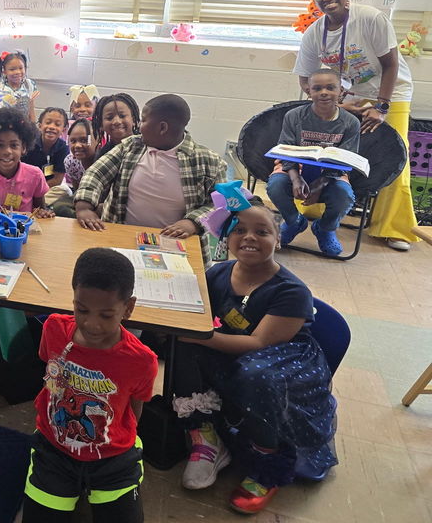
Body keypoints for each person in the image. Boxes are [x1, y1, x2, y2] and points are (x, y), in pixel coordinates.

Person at [172, 202, 336, 514]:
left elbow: (259, 343)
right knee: (180, 344)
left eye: (262, 231)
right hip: (237, 351)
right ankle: (207, 437)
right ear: (226, 238)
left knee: (254, 375)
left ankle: (267, 464)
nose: (249, 237)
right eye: (240, 230)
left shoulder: (291, 290)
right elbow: (193, 309)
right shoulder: (219, 272)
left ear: (279, 239)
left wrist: (198, 335)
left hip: (281, 363)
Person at [23, 247, 157, 523]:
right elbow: (48, 370)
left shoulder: (142, 360)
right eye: (81, 309)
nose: (91, 324)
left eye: (106, 315)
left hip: (114, 459)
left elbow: (134, 411)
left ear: (128, 308)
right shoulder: (53, 329)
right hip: (54, 449)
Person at [292, 0, 417, 250]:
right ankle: (316, 209)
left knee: (394, 155)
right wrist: (336, 104)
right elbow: (304, 78)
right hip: (347, 98)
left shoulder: (370, 18)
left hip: (391, 92)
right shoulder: (315, 32)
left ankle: (394, 228)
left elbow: (391, 65)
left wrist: (381, 107)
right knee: (329, 149)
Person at [74, 95, 225, 250]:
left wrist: (193, 222)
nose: (139, 126)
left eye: (144, 120)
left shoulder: (209, 161)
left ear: (162, 128)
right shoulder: (130, 147)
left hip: (174, 246)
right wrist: (84, 206)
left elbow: (220, 203)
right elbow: (96, 174)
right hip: (121, 238)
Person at [269, 70, 360, 257]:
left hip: (331, 172)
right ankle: (294, 222)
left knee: (344, 195)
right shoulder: (294, 116)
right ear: (308, 91)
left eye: (330, 87)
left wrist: (320, 184)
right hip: (296, 167)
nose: (324, 92)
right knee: (276, 185)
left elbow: (345, 160)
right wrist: (295, 179)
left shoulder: (350, 123)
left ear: (341, 91)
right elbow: (285, 151)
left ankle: (325, 229)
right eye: (317, 88)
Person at [0, 106, 53, 217]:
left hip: (21, 231)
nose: (7, 151)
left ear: (24, 147)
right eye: (0, 145)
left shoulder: (35, 175)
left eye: (14, 145)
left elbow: (39, 209)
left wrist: (43, 213)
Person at [48, 118, 95, 219]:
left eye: (84, 140)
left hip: (101, 200)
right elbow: (77, 192)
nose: (77, 145)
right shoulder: (70, 161)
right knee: (58, 207)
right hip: (82, 198)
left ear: (97, 139)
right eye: (73, 141)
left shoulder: (104, 160)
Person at [0, 51, 38, 123]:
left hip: (22, 128)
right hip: (3, 127)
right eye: (12, 69)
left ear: (25, 68)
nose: (17, 72)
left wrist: (34, 129)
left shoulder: (29, 85)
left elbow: (31, 110)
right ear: (4, 71)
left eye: (20, 68)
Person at [23, 107, 69, 187]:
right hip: (26, 183)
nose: (52, 127)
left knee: (63, 193)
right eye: (48, 122)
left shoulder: (63, 148)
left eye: (57, 124)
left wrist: (38, 191)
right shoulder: (30, 143)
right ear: (40, 126)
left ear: (63, 130)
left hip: (48, 187)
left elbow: (57, 180)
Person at [91, 93, 140, 162]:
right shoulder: (103, 156)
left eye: (122, 116)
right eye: (109, 118)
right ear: (101, 125)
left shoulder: (145, 147)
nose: (117, 121)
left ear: (134, 120)